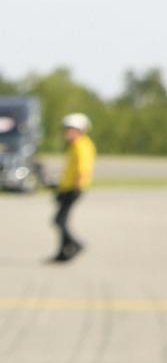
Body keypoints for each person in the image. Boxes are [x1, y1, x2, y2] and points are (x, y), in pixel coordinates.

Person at [51, 112, 94, 263]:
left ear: (79, 130)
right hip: (67, 188)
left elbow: (82, 169)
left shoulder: (81, 145)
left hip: (73, 189)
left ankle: (75, 244)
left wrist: (76, 187)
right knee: (60, 220)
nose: (67, 132)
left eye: (70, 129)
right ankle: (63, 252)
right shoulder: (77, 145)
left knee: (59, 220)